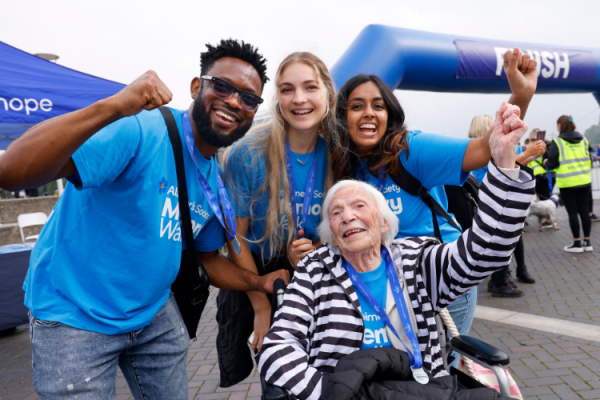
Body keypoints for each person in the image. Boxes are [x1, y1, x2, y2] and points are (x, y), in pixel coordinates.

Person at [0, 39, 289, 399]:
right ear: (197, 87)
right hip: (74, 317)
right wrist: (113, 106)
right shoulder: (139, 129)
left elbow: (208, 257)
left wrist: (257, 282)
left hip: (153, 314)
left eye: (249, 98)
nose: (234, 101)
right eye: (223, 86)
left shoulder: (214, 179)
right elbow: (11, 172)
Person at [257, 101, 534, 400]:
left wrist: (504, 161)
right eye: (336, 213)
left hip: (421, 390)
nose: (348, 216)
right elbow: (278, 348)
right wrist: (328, 392)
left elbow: (486, 251)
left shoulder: (416, 259)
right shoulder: (314, 271)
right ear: (331, 234)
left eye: (359, 206)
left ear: (383, 221)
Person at [331, 47, 537, 365]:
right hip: (386, 293)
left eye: (378, 105)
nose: (368, 113)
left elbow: (486, 146)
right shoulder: (345, 167)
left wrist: (520, 95)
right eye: (357, 106)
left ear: (390, 115)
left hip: (441, 284)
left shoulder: (412, 149)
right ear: (343, 117)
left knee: (441, 373)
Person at [218, 52, 337, 386]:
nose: (299, 99)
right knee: (278, 378)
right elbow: (235, 237)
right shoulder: (249, 152)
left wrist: (317, 246)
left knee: (324, 374)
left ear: (326, 92)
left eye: (310, 87)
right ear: (278, 98)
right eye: (287, 89)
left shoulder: (339, 152)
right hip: (258, 269)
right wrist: (261, 306)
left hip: (316, 275)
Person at [545, 115, 593, 253]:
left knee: (572, 212)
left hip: (567, 182)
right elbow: (589, 156)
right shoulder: (584, 140)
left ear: (559, 126)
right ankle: (588, 242)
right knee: (584, 211)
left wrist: (546, 163)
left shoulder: (557, 142)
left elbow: (553, 162)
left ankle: (577, 243)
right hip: (584, 180)